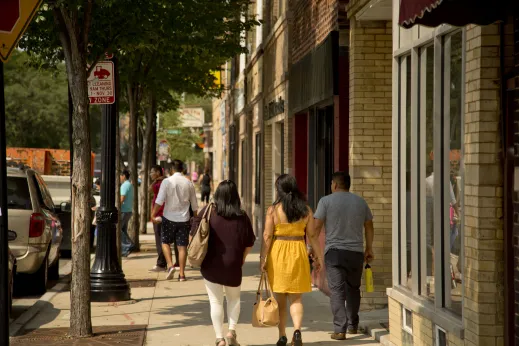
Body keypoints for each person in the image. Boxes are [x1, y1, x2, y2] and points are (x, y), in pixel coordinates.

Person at [260, 174, 323, 346]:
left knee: (279, 299)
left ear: (279, 190)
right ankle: (297, 331)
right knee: (296, 299)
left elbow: (267, 235)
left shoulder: (273, 210)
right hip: (298, 252)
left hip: (278, 252)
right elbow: (312, 235)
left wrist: (263, 258)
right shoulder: (306, 210)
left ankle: (282, 335)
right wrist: (319, 257)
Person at [191, 180, 255, 346]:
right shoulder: (242, 216)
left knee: (215, 302)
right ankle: (231, 331)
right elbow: (249, 242)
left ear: (217, 194)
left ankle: (220, 339)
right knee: (234, 299)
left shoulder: (207, 212)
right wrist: (241, 258)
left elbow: (193, 235)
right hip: (233, 264)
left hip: (211, 265)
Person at [313, 172, 374, 341]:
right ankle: (353, 325)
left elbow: (316, 227)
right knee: (353, 289)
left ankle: (340, 330)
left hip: (334, 253)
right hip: (356, 253)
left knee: (337, 291)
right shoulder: (360, 202)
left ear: (334, 184)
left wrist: (313, 249)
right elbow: (369, 226)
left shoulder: (325, 201)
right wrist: (369, 248)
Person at [152, 159, 198, 281]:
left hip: (168, 218)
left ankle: (170, 265)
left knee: (165, 242)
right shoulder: (188, 183)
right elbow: (194, 205)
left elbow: (159, 200)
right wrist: (195, 219)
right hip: (184, 219)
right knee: (182, 247)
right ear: (182, 169)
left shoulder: (166, 182)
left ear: (172, 170)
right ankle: (182, 275)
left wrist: (152, 214)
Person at [149, 165, 167, 272]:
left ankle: (161, 264)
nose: (151, 174)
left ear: (158, 173)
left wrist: (157, 180)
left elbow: (148, 190)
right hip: (165, 214)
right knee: (163, 239)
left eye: (152, 172)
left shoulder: (158, 184)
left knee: (159, 239)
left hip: (158, 214)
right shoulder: (165, 182)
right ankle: (163, 262)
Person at [120, 170, 135, 257]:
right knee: (123, 230)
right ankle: (126, 248)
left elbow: (122, 198)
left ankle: (128, 245)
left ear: (123, 176)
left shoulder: (124, 185)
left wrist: (117, 208)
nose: (119, 177)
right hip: (128, 210)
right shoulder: (130, 185)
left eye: (120, 176)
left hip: (123, 211)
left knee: (118, 229)